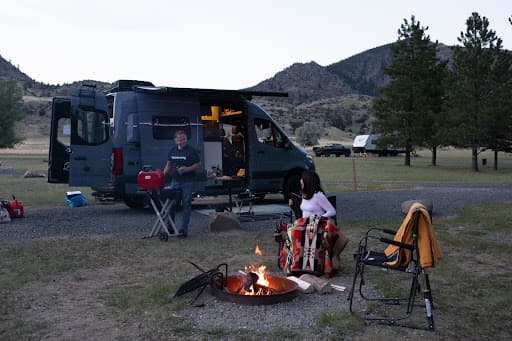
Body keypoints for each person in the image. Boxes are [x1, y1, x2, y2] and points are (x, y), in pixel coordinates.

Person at [163, 130, 201, 237]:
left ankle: (183, 230)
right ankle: (170, 227)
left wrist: (187, 169)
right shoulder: (173, 151)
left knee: (186, 204)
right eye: (179, 140)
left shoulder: (191, 151)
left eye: (183, 139)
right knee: (171, 204)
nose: (182, 142)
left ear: (186, 139)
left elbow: (198, 165)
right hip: (175, 181)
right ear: (175, 140)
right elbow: (169, 165)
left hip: (188, 181)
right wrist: (162, 175)